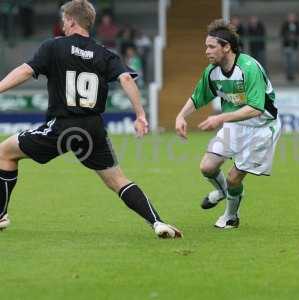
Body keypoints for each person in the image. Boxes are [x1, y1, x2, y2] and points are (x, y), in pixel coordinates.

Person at [0, 0, 181, 239]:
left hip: (63, 126)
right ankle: (158, 222)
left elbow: (25, 71)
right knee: (118, 181)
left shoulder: (54, 47)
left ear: (72, 21)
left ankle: (1, 215)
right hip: (93, 128)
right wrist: (140, 115)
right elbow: (127, 80)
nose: (62, 25)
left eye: (64, 20)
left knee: (4, 152)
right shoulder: (104, 53)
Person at [175, 19, 281, 229]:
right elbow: (198, 97)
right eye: (206, 46)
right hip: (235, 125)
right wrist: (181, 116)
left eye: (211, 46)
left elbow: (256, 108)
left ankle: (231, 217)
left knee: (234, 178)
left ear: (226, 47)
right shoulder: (212, 71)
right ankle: (223, 192)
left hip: (261, 128)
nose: (206, 51)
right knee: (207, 167)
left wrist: (219, 118)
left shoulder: (249, 68)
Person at [280, 13, 299, 81]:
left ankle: (292, 75)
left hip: (294, 46)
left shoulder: (297, 25)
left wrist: (294, 37)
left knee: (293, 61)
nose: (291, 19)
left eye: (292, 17)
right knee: (287, 62)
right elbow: (282, 34)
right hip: (286, 46)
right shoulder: (285, 25)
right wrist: (288, 36)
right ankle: (288, 75)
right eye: (290, 17)